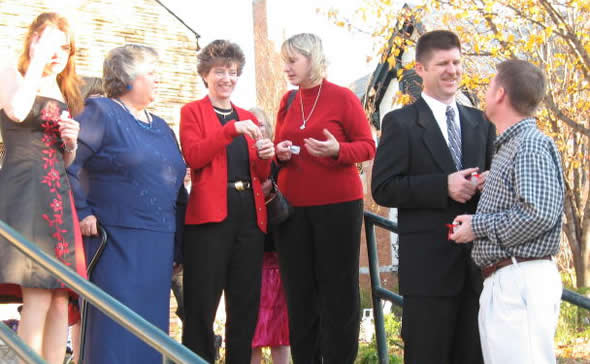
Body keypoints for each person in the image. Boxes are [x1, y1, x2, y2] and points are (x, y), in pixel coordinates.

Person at [371, 30, 495, 364]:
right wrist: (443, 186)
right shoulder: (400, 123)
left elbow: (495, 187)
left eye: (456, 62)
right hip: (427, 273)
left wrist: (487, 185)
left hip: (477, 270)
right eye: (442, 63)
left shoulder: (481, 123)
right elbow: (383, 187)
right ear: (421, 69)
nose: (452, 70)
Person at [66, 44, 187, 364]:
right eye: (151, 73)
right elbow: (68, 164)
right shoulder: (100, 112)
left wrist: (179, 245)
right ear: (128, 79)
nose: (158, 80)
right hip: (115, 244)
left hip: (158, 245)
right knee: (114, 334)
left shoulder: (161, 126)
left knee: (150, 334)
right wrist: (82, 211)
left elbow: (176, 186)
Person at [450, 60, 564, 364]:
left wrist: (478, 225)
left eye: (489, 87)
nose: (485, 94)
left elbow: (538, 214)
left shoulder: (528, 145)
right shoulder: (512, 147)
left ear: (500, 93)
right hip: (508, 280)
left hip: (519, 280)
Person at [274, 33, 375, 363]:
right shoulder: (287, 101)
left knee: (338, 293)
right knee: (299, 293)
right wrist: (280, 153)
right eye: (285, 61)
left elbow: (367, 146)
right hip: (292, 211)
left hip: (337, 207)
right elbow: (277, 151)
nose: (286, 68)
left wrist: (338, 151)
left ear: (312, 59)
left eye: (293, 61)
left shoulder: (343, 97)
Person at [179, 39, 274, 363]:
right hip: (209, 220)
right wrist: (230, 129)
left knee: (245, 307)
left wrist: (266, 154)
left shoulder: (248, 115)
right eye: (220, 71)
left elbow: (260, 173)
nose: (227, 78)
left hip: (249, 216)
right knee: (200, 307)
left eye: (233, 72)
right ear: (205, 74)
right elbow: (194, 155)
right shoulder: (192, 112)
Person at [0, 12, 86, 364]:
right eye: (51, 44)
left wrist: (72, 144)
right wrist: (36, 60)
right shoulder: (11, 73)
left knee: (58, 297)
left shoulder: (63, 90)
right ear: (34, 41)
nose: (57, 54)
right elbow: (18, 111)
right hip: (24, 190)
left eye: (64, 48)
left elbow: (64, 161)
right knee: (36, 292)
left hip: (57, 195)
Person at [249, 107, 290, 364]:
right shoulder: (239, 162)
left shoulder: (279, 162)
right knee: (251, 330)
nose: (257, 130)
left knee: (280, 330)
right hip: (249, 258)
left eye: (261, 124)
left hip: (277, 255)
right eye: (251, 125)